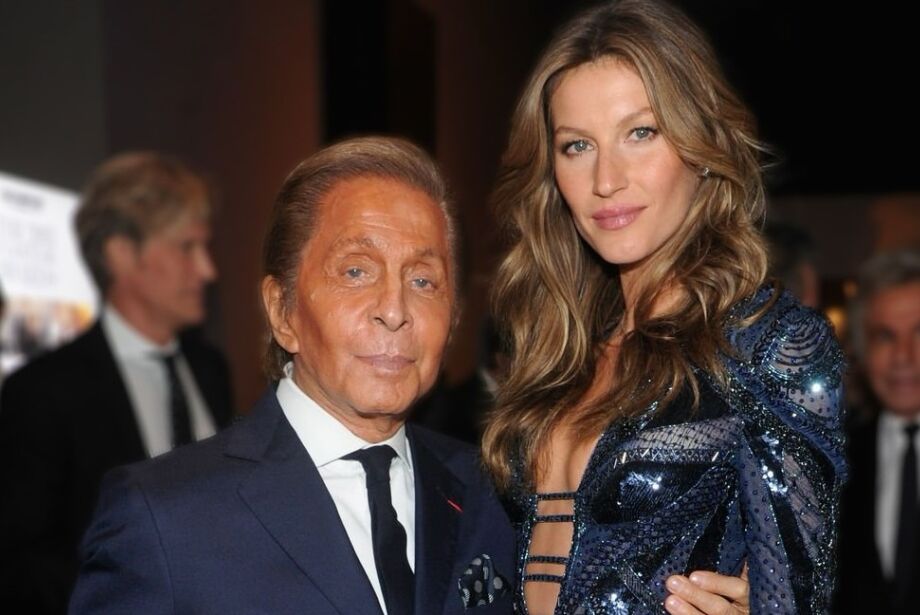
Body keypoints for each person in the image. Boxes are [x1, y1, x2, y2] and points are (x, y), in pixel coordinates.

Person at [480, 1, 847, 614]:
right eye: (577, 146)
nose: (606, 180)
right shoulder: (555, 352)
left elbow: (797, 597)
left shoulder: (768, 345)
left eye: (640, 133)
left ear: (701, 148)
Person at [68, 137, 516, 615]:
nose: (394, 309)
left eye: (423, 281)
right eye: (356, 272)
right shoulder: (162, 518)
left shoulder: (495, 491)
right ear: (283, 311)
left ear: (454, 320)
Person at [0, 152, 234, 614]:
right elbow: (23, 564)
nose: (208, 270)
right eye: (187, 247)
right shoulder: (43, 393)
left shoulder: (211, 370)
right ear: (121, 254)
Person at [834, 249, 920, 615]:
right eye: (885, 336)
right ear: (862, 351)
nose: (904, 357)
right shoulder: (831, 461)